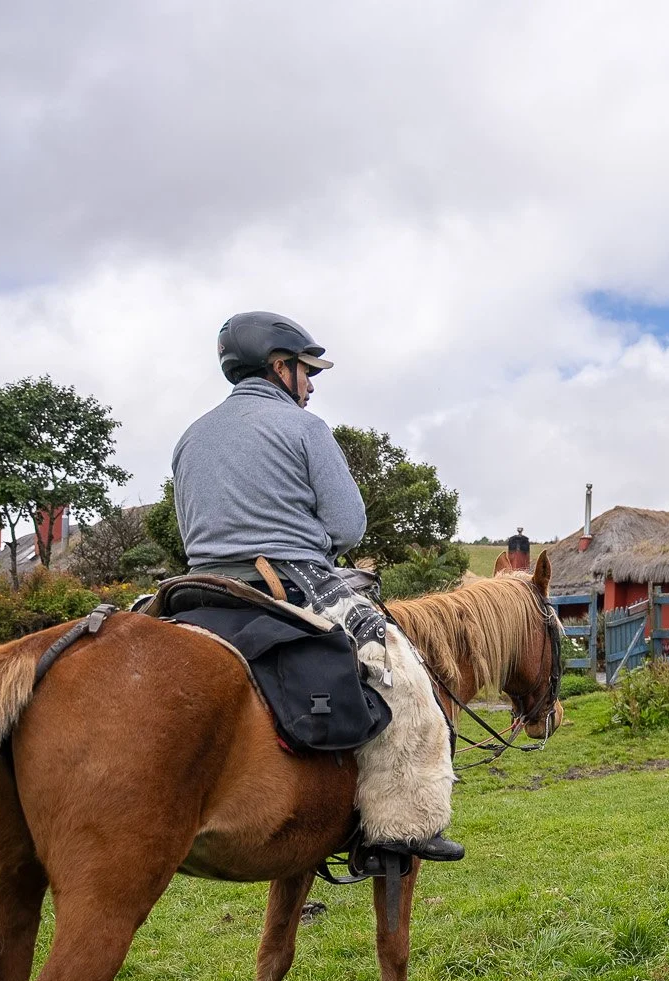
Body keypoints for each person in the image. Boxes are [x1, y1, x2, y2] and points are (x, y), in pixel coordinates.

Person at [170, 311, 462, 863]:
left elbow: (192, 524)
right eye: (308, 372)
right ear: (281, 367)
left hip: (199, 586)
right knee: (402, 673)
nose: (310, 387)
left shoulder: (191, 436)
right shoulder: (305, 429)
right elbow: (349, 526)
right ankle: (403, 827)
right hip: (288, 579)